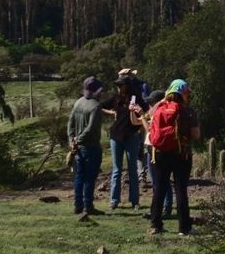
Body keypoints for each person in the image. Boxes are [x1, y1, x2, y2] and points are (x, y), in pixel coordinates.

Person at [148, 79, 200, 236]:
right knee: (180, 189)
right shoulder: (188, 112)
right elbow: (196, 135)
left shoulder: (159, 109)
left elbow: (150, 120)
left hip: (159, 154)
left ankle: (155, 225)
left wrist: (164, 99)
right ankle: (184, 228)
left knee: (160, 189)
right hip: (181, 154)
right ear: (184, 93)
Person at [103, 74, 148, 210]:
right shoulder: (115, 99)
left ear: (127, 86)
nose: (118, 88)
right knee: (116, 170)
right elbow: (100, 107)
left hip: (132, 137)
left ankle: (135, 201)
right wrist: (111, 113)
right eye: (117, 85)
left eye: (120, 85)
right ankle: (114, 200)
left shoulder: (137, 98)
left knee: (132, 169)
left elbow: (147, 113)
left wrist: (140, 121)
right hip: (116, 137)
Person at [130, 89, 173, 219]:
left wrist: (142, 115)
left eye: (151, 103)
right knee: (155, 181)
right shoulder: (152, 112)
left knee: (162, 181)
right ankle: (157, 208)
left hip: (158, 150)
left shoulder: (161, 113)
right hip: (150, 149)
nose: (149, 105)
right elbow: (135, 122)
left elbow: (149, 128)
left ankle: (166, 207)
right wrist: (132, 112)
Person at [67, 76, 105, 218]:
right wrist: (78, 140)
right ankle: (88, 206)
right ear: (95, 91)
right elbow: (90, 128)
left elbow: (70, 123)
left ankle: (78, 205)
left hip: (77, 148)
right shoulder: (96, 106)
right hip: (90, 146)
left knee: (79, 177)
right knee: (89, 178)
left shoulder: (78, 102)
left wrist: (72, 140)